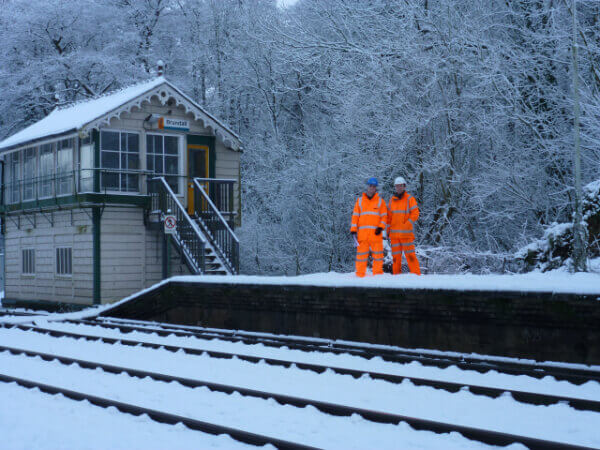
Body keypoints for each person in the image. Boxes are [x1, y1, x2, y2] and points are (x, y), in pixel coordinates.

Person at [350, 177, 388, 277]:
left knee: (378, 257)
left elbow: (384, 217)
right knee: (361, 257)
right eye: (370, 186)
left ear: (376, 188)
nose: (372, 188)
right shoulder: (360, 201)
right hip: (363, 235)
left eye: (374, 186)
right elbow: (355, 216)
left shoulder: (380, 202)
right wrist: (353, 230)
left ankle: (378, 276)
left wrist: (380, 227)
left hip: (376, 234)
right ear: (368, 187)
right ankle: (359, 275)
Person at [387, 176, 421, 275]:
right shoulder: (392, 200)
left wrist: (407, 224)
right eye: (397, 186)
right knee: (396, 259)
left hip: (406, 235)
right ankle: (396, 278)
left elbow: (415, 213)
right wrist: (387, 231)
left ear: (404, 186)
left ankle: (417, 276)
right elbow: (389, 217)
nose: (398, 188)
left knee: (410, 256)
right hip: (394, 236)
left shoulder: (410, 199)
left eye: (400, 186)